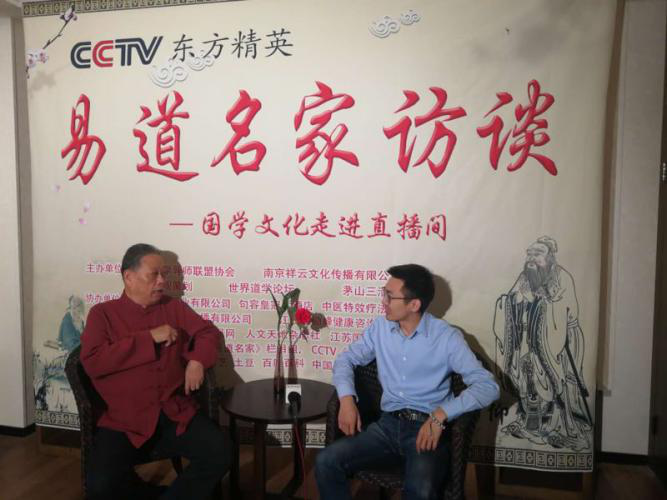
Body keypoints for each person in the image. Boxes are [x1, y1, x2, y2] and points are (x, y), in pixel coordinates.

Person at [316, 264, 499, 500]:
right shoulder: (380, 328)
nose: (383, 301)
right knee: (326, 461)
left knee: (420, 490)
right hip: (386, 426)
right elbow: (346, 359)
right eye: (383, 293)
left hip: (426, 429)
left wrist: (441, 414)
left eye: (389, 296)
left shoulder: (446, 337)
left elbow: (488, 387)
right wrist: (347, 400)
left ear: (414, 305)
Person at [80, 243, 230, 500]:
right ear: (129, 277)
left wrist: (197, 360)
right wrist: (149, 337)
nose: (162, 281)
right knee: (100, 486)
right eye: (154, 275)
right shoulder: (103, 314)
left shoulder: (173, 307)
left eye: (164, 274)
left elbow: (208, 333)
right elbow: (93, 362)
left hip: (173, 412)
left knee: (221, 452)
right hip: (124, 419)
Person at [493, 236, 592, 450]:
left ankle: (567, 430)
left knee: (561, 383)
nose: (531, 258)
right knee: (528, 379)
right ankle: (531, 424)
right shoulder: (525, 277)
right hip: (528, 340)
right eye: (529, 253)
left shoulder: (561, 277)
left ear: (550, 257)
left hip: (559, 340)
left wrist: (540, 300)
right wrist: (512, 301)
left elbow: (565, 311)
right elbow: (512, 299)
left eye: (537, 254)